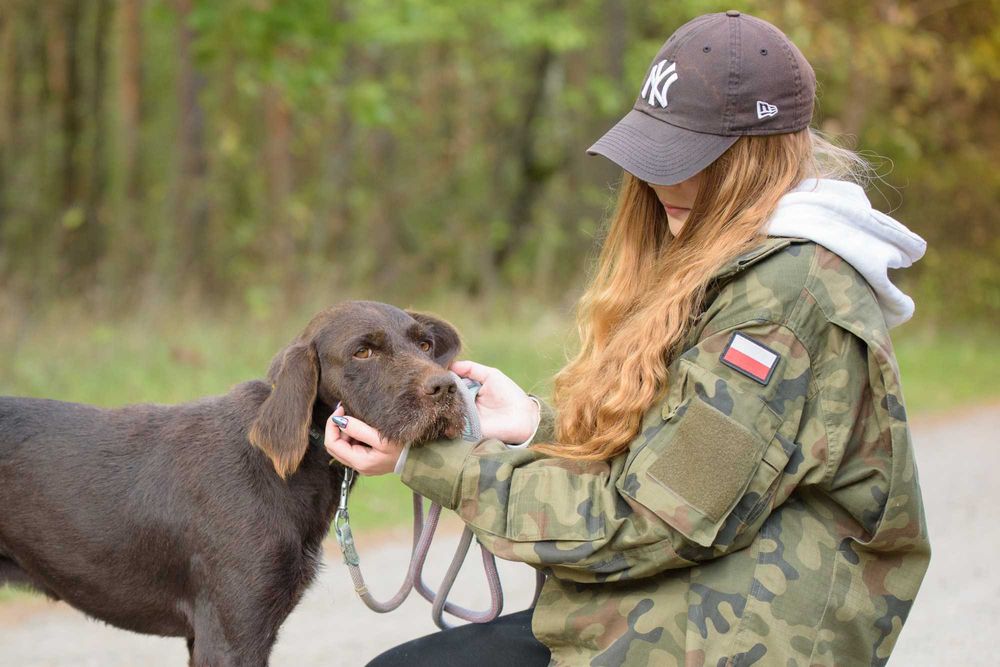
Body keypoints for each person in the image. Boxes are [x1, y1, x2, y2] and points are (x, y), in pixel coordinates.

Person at [325, 11, 931, 667]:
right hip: (672, 610)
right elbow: (680, 456)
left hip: (732, 641)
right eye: (656, 154)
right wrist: (532, 425)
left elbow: (649, 522)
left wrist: (432, 461)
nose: (664, 182)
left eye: (691, 159)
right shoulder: (740, 263)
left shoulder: (783, 298)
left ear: (759, 158)